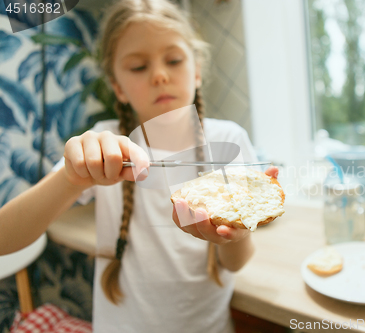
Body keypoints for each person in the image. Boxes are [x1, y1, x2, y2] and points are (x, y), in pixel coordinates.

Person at [0, 0, 279, 332]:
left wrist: (237, 234)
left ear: (197, 71)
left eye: (174, 60)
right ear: (117, 86)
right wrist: (70, 178)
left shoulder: (228, 140)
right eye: (138, 67)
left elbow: (235, 263)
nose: (160, 75)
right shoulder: (105, 145)